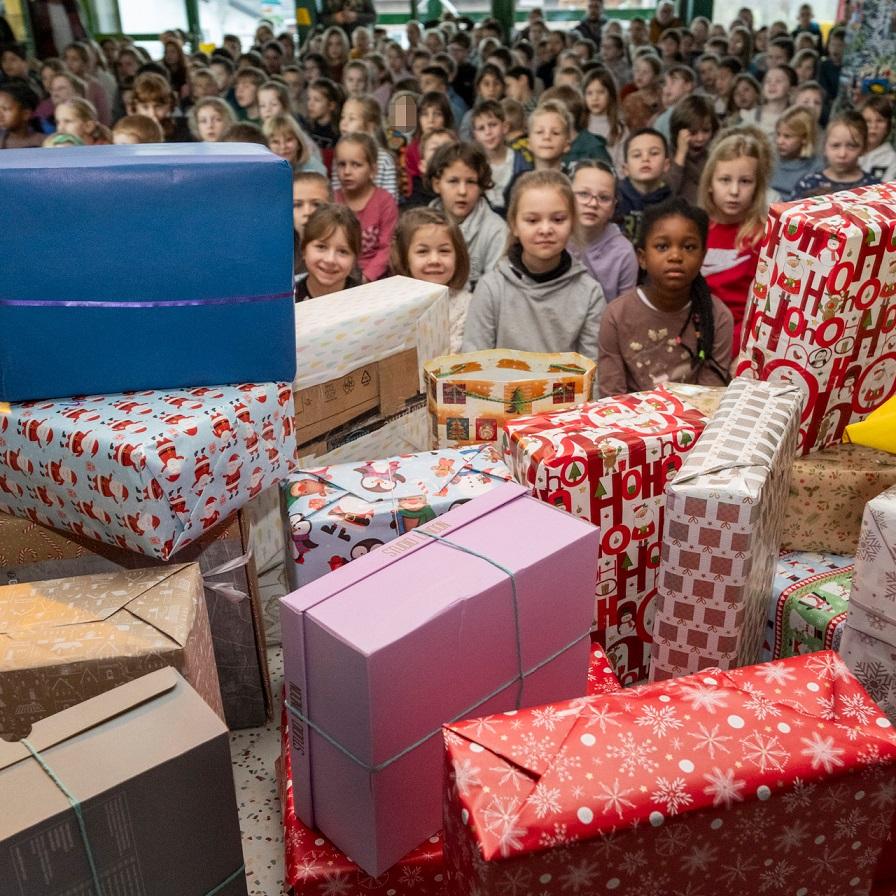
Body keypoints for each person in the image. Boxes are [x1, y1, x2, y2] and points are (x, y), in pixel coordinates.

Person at [463, 169, 605, 368]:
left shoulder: (590, 293)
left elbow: (592, 372)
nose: (545, 229)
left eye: (558, 220)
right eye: (532, 220)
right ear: (514, 225)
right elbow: (474, 365)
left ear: (572, 223)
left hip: (569, 399)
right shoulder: (491, 288)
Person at [598, 198, 732, 397]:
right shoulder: (616, 316)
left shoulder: (717, 317)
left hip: (695, 423)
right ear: (642, 258)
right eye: (662, 247)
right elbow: (611, 395)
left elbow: (710, 397)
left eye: (688, 247)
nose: (675, 256)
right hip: (629, 422)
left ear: (703, 257)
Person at [699, 128, 768, 353]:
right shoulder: (695, 228)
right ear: (710, 182)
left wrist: (740, 352)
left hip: (740, 345)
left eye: (745, 181)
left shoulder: (763, 235)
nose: (734, 191)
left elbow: (763, 308)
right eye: (725, 180)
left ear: (757, 187)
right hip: (693, 337)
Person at [390, 206, 472, 351]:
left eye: (444, 251)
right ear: (405, 259)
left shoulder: (466, 305)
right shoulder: (393, 305)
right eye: (423, 251)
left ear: (458, 257)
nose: (434, 260)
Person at [428, 141, 507, 289]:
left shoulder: (496, 231)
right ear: (437, 184)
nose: (462, 191)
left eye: (471, 182)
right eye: (453, 181)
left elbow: (496, 290)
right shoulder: (420, 227)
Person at [333, 132, 398, 281]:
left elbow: (387, 248)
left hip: (375, 279)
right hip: (337, 275)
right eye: (341, 164)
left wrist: (365, 277)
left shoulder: (385, 202)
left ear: (373, 170)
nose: (347, 171)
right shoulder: (332, 199)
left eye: (356, 165)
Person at [570, 161, 638, 303]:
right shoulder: (555, 237)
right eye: (583, 194)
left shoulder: (623, 252)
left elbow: (624, 311)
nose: (593, 203)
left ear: (613, 207)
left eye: (604, 198)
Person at [793, 110, 881, 198]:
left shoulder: (874, 188)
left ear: (864, 148)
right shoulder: (808, 184)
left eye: (852, 146)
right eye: (835, 145)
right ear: (824, 146)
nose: (842, 154)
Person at [471, 99, 532, 217]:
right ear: (475, 135)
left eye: (493, 125)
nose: (488, 132)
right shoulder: (474, 166)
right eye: (481, 128)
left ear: (505, 127)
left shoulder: (522, 162)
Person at [616, 128, 673, 242]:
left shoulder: (673, 204)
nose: (645, 159)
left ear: (666, 165)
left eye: (654, 153)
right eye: (637, 155)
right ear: (625, 168)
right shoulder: (614, 200)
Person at [295, 204, 362, 301]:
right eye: (321, 247)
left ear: (355, 259)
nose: (330, 260)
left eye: (343, 251)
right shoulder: (288, 301)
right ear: (304, 250)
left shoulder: (364, 301)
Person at [336, 96, 398, 198]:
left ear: (370, 126)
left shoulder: (384, 159)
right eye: (343, 117)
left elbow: (390, 200)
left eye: (352, 119)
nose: (344, 123)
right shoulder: (339, 156)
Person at [668, 94, 718, 204]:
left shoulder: (715, 155)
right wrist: (681, 155)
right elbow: (668, 192)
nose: (700, 138)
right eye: (693, 132)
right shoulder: (668, 154)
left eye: (706, 131)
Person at [583, 68, 627, 171]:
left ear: (610, 95)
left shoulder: (619, 129)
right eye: (589, 93)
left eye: (600, 92)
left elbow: (622, 165)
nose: (595, 98)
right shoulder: (580, 124)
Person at [772, 106, 818, 199]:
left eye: (787, 136)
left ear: (805, 138)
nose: (779, 141)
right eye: (778, 134)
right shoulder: (769, 160)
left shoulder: (817, 168)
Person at [132, 72, 192, 142]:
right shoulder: (128, 131)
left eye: (158, 107)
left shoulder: (184, 129)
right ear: (135, 106)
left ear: (169, 105)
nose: (152, 114)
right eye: (145, 107)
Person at [528, 100, 573, 173]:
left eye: (555, 133)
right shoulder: (519, 181)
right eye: (540, 132)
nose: (547, 137)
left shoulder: (576, 182)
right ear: (529, 143)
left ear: (567, 145)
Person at [859, 96, 896, 183]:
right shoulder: (847, 152)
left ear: (888, 126)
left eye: (880, 121)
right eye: (867, 121)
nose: (873, 126)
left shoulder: (892, 159)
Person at [0, 81, 44, 148]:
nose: (0, 115)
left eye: (5, 109)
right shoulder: (2, 142)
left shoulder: (45, 142)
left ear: (26, 114)